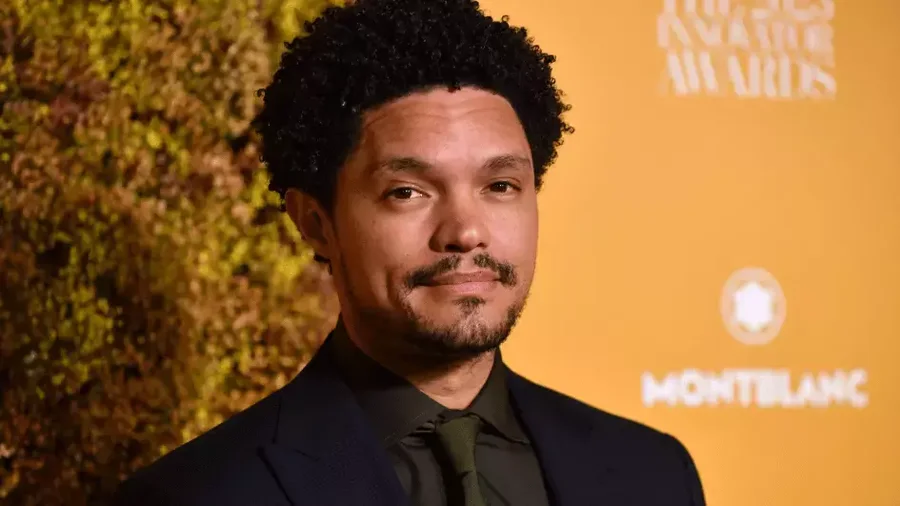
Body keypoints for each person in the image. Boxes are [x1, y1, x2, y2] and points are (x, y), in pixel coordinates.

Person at [114, 0, 706, 504]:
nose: (466, 232)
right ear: (316, 224)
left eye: (500, 186)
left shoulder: (652, 475)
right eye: (408, 192)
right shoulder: (199, 494)